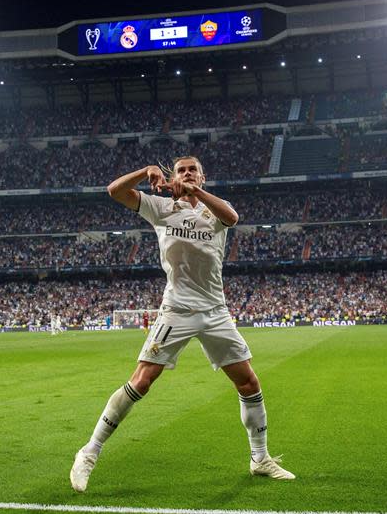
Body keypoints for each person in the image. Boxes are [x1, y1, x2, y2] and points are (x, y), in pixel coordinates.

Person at [69, 156, 295, 493]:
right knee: (142, 381)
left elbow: (232, 218)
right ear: (172, 177)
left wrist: (194, 192)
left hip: (215, 311)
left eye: (193, 170)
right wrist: (145, 172)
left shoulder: (216, 209)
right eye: (181, 171)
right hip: (176, 309)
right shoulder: (161, 207)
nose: (187, 174)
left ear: (203, 177)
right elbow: (115, 191)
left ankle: (259, 459)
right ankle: (89, 452)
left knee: (248, 383)